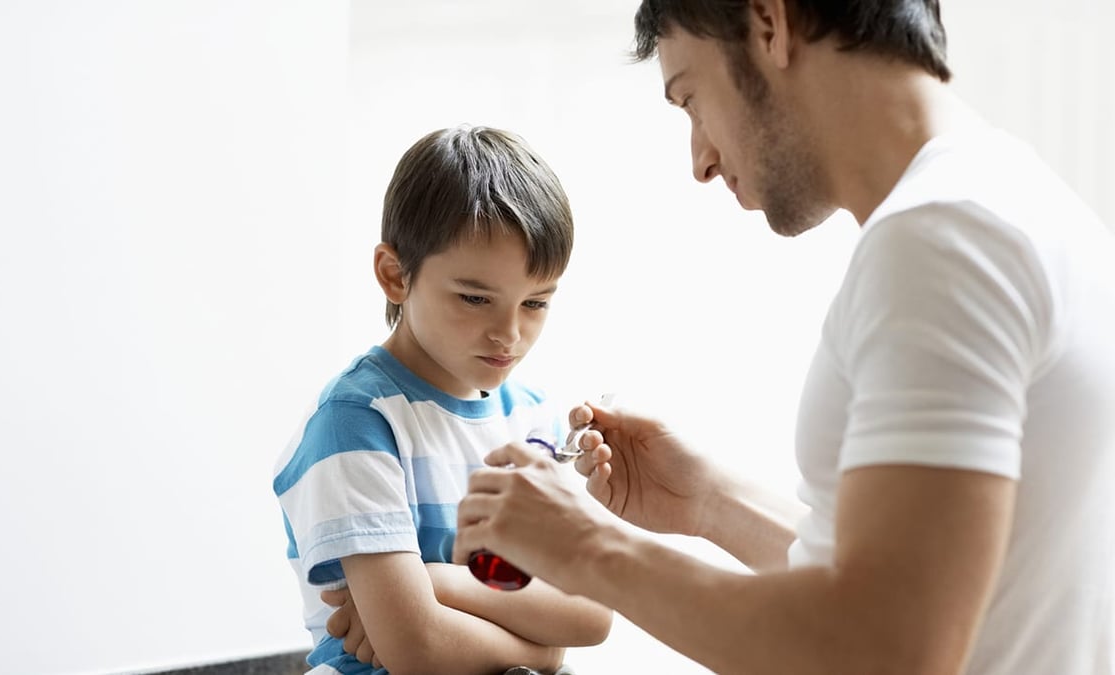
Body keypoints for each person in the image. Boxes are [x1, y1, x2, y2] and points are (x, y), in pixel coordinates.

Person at [435, 1, 1115, 674]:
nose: (700, 159)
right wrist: (709, 500)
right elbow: (910, 590)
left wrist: (585, 547)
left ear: (769, 23)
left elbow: (886, 648)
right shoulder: (1018, 200)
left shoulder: (939, 241)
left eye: (691, 99)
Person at [273, 124, 612, 675]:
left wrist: (436, 582)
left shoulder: (532, 417)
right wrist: (540, 647)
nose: (509, 333)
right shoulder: (355, 421)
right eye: (475, 298)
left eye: (535, 303)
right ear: (394, 275)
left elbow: (592, 615)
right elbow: (416, 649)